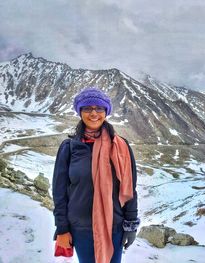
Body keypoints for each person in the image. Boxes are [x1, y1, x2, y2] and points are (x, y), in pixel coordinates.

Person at [52, 87, 140, 263]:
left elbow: (130, 188)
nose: (94, 113)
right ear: (80, 112)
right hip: (81, 229)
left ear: (106, 112)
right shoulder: (69, 148)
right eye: (87, 108)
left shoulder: (121, 147)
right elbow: (59, 193)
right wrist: (62, 228)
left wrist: (130, 225)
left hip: (114, 227)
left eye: (99, 108)